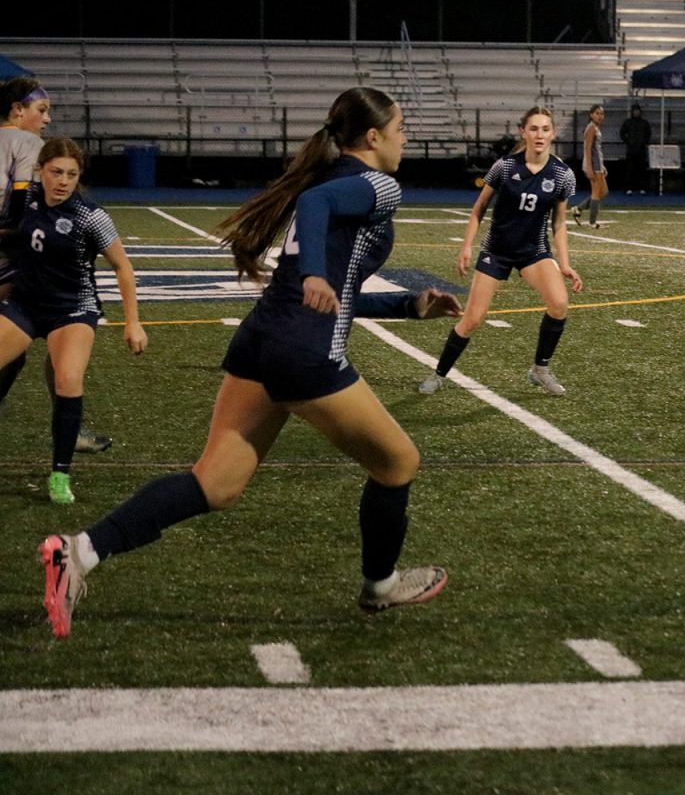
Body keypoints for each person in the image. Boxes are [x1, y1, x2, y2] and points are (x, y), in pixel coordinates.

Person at [38, 87, 457, 638]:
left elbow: (335, 286)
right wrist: (313, 276)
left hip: (262, 339)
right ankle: (380, 586)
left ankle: (78, 552)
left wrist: (407, 303)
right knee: (398, 463)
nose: (407, 138)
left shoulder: (330, 179)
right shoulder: (376, 184)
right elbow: (315, 240)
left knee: (215, 485)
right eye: (400, 127)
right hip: (304, 352)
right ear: (373, 137)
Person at [0, 137, 147, 505]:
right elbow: (17, 238)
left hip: (72, 308)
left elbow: (123, 268)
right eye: (56, 172)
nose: (63, 181)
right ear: (41, 171)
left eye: (71, 174)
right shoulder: (28, 198)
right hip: (25, 304)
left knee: (67, 379)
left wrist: (133, 323)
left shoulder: (90, 216)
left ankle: (60, 474)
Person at [419, 106, 582, 398]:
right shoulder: (505, 166)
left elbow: (559, 223)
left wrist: (565, 264)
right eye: (534, 129)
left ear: (553, 133)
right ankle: (438, 374)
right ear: (524, 132)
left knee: (559, 304)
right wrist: (467, 246)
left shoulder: (563, 175)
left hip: (534, 251)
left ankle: (539, 370)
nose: (539, 135)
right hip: (497, 250)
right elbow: (478, 209)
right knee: (473, 319)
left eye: (545, 129)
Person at [0, 76, 112, 453]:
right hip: (8, 258)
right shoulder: (28, 143)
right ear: (18, 111)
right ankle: (69, 427)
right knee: (57, 331)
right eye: (41, 111)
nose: (46, 120)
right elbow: (20, 204)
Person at [570, 104, 607, 228]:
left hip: (598, 164)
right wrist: (590, 168)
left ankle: (578, 209)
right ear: (591, 115)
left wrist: (602, 167)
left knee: (604, 192)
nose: (600, 116)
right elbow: (587, 149)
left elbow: (597, 149)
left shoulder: (596, 127)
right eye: (597, 113)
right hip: (593, 164)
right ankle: (592, 222)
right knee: (596, 193)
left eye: (601, 113)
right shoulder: (591, 128)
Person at [619, 103, 652, 195]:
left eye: (638, 111)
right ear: (632, 112)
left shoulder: (644, 123)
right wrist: (629, 141)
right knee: (630, 169)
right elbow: (622, 133)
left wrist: (644, 142)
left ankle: (643, 188)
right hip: (631, 150)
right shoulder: (628, 122)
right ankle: (628, 188)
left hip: (641, 150)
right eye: (635, 111)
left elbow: (648, 134)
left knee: (642, 170)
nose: (636, 113)